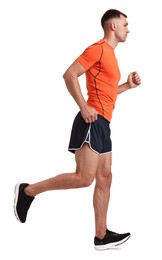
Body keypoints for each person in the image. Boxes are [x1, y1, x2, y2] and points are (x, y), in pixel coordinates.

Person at [14, 9, 141, 250]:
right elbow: (69, 74)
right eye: (125, 24)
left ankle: (101, 236)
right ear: (113, 26)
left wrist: (127, 85)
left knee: (105, 177)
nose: (128, 28)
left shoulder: (111, 56)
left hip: (104, 123)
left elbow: (106, 92)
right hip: (91, 120)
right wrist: (83, 107)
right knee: (84, 178)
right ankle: (28, 191)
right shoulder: (98, 48)